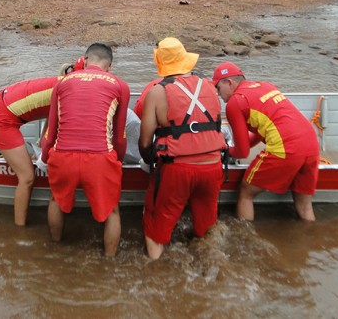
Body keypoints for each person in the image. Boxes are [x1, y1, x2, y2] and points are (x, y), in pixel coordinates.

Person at [138, 38, 227, 259]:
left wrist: (149, 161)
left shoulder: (158, 92)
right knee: (206, 228)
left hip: (177, 169)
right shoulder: (209, 85)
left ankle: (156, 273)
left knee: (155, 226)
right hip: (213, 166)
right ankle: (209, 268)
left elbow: (145, 141)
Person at [40, 43, 130, 256]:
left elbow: (51, 131)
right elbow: (119, 136)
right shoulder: (120, 85)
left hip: (63, 156)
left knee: (55, 199)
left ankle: (55, 247)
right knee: (113, 211)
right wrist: (118, 160)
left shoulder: (62, 83)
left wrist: (44, 158)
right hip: (100, 159)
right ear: (109, 66)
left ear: (85, 59)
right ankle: (109, 261)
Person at [212, 61, 320, 222]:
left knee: (246, 192)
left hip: (286, 147)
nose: (218, 95)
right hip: (311, 143)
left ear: (229, 82)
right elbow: (262, 131)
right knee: (304, 206)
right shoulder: (265, 86)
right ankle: (309, 238)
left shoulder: (235, 102)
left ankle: (245, 237)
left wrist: (222, 148)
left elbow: (242, 152)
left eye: (218, 88)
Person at [0, 58, 83, 226]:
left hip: (4, 101)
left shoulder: (62, 83)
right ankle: (19, 227)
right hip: (2, 119)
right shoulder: (68, 91)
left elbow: (50, 119)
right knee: (27, 177)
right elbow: (56, 129)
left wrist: (41, 145)